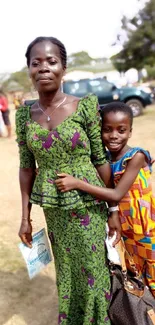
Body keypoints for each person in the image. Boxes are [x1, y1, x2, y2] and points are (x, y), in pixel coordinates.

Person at [15, 36, 121, 325]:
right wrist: (25, 217)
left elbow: (101, 159)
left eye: (51, 61)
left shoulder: (84, 107)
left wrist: (113, 209)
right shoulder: (25, 114)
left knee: (92, 267)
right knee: (67, 268)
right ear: (29, 69)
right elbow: (27, 167)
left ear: (63, 68)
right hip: (55, 208)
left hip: (88, 203)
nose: (44, 68)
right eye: (36, 63)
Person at [56, 102, 155, 297]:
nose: (114, 135)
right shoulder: (105, 160)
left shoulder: (136, 157)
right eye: (107, 130)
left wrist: (77, 184)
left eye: (121, 130)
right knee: (136, 274)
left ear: (130, 132)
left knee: (152, 273)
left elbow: (116, 194)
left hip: (146, 227)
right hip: (125, 229)